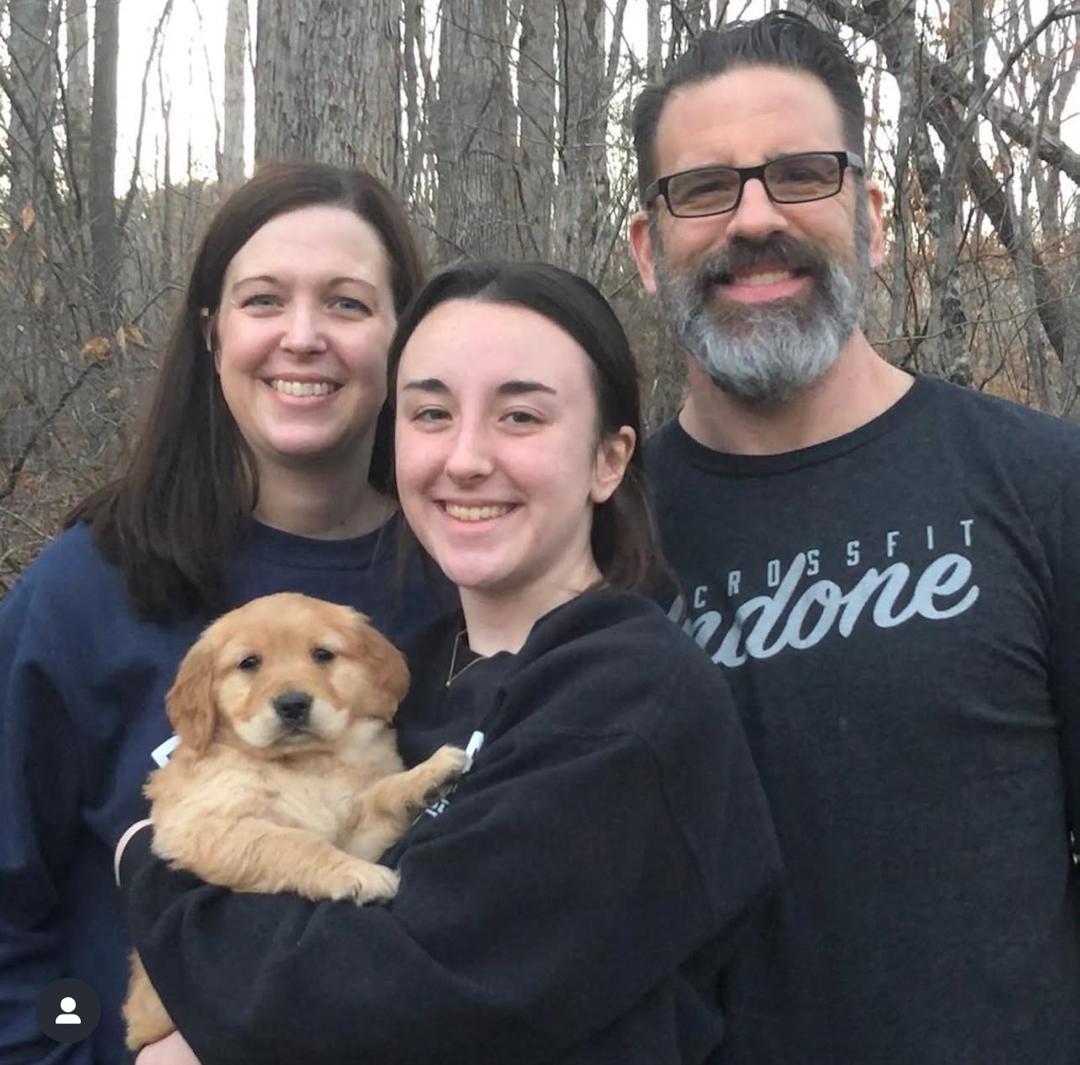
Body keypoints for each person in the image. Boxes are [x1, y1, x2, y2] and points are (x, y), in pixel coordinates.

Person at [116, 261, 781, 1065]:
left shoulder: (632, 699)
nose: (465, 458)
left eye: (521, 416)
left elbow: (406, 999)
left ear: (609, 460)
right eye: (430, 412)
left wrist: (148, 874)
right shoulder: (413, 668)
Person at [628, 11, 1080, 1065]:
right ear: (649, 247)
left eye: (801, 174)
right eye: (704, 187)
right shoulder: (596, 542)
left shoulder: (1044, 485)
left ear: (870, 210)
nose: (752, 219)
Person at [0, 162, 451, 1064]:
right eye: (262, 301)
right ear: (212, 334)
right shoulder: (90, 587)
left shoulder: (461, 573)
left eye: (350, 304)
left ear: (405, 339)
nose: (302, 336)